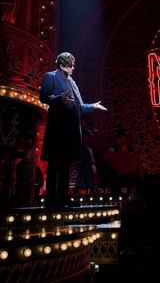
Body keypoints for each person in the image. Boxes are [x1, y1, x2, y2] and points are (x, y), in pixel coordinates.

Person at [39, 51, 107, 208]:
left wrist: (93, 106)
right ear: (62, 65)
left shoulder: (72, 82)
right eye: (71, 65)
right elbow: (43, 97)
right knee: (55, 164)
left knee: (65, 166)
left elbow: (80, 106)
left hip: (71, 130)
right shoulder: (51, 76)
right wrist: (58, 98)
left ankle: (62, 198)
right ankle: (50, 200)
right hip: (58, 129)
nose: (73, 67)